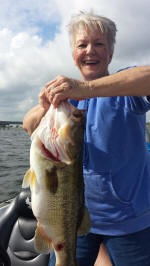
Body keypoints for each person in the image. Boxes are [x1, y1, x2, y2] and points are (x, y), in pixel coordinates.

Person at [23, 11, 150, 266]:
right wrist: (44, 107)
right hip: (74, 219)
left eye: (99, 43)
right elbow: (28, 125)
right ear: (74, 54)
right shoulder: (65, 101)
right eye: (82, 44)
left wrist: (85, 89)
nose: (90, 50)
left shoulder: (125, 88)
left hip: (130, 222)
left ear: (111, 53)